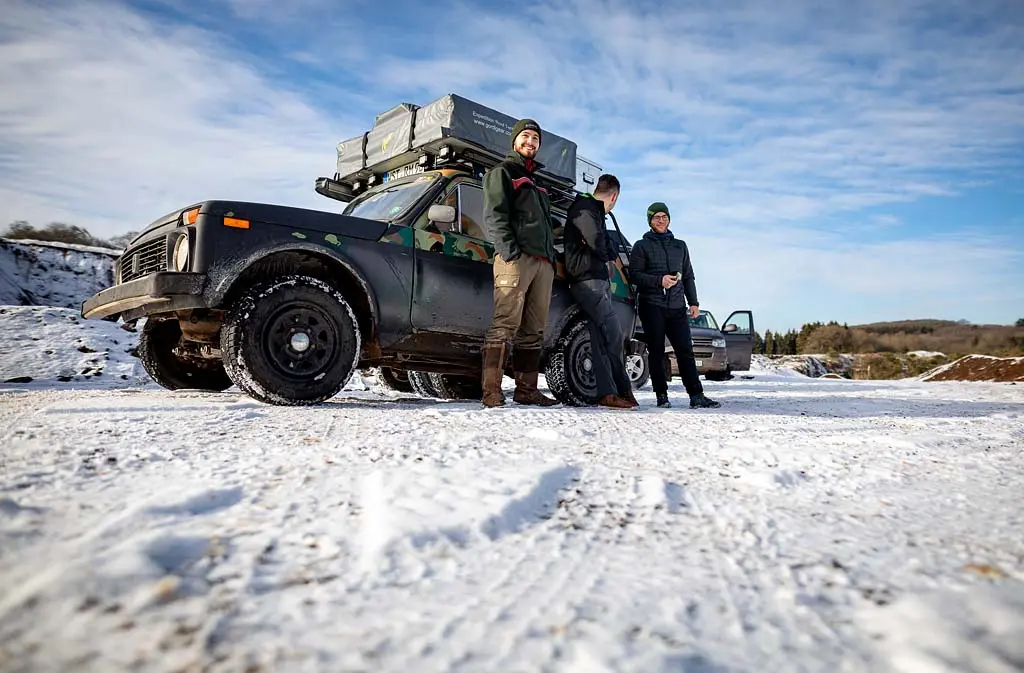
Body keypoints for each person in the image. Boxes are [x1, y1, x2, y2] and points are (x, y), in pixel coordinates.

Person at [478, 118, 561, 408]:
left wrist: (551, 258)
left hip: (542, 264)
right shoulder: (502, 172)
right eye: (525, 136)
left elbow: (546, 225)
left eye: (535, 139)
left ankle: (527, 390)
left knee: (534, 330)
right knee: (505, 325)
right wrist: (510, 251)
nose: (530, 142)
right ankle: (491, 392)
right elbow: (495, 215)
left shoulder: (538, 183)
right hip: (516, 259)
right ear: (514, 142)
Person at [628, 202, 721, 409]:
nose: (661, 220)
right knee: (657, 351)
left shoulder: (680, 245)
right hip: (652, 305)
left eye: (664, 216)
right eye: (656, 217)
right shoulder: (641, 246)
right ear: (650, 221)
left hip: (677, 306)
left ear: (669, 219)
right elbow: (634, 276)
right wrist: (659, 281)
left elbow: (688, 275)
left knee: (685, 350)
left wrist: (694, 302)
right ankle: (661, 394)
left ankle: (696, 395)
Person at [563, 174, 637, 409]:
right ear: (614, 196)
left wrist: (608, 253)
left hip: (594, 280)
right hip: (587, 280)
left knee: (600, 337)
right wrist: (606, 256)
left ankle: (608, 394)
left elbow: (603, 241)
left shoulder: (593, 211)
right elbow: (596, 240)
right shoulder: (585, 208)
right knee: (613, 334)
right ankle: (622, 390)